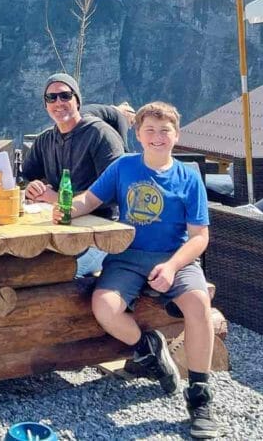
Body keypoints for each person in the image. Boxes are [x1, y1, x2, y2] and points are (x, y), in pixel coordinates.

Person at [57, 101, 219, 440]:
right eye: (150, 131)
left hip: (176, 256)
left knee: (199, 306)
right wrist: (67, 209)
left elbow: (200, 237)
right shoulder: (123, 167)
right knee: (104, 307)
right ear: (138, 134)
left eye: (165, 131)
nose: (157, 137)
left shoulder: (189, 177)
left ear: (177, 135)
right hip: (127, 256)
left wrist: (173, 266)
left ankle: (200, 396)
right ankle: (148, 347)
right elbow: (91, 200)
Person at [22, 73, 126, 276]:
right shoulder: (45, 140)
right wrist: (32, 187)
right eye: (51, 98)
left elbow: (115, 191)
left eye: (65, 96)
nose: (58, 102)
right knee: (20, 266)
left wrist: (60, 200)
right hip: (59, 229)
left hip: (99, 235)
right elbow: (24, 177)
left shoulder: (100, 135)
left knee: (56, 274)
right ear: (45, 105)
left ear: (77, 101)